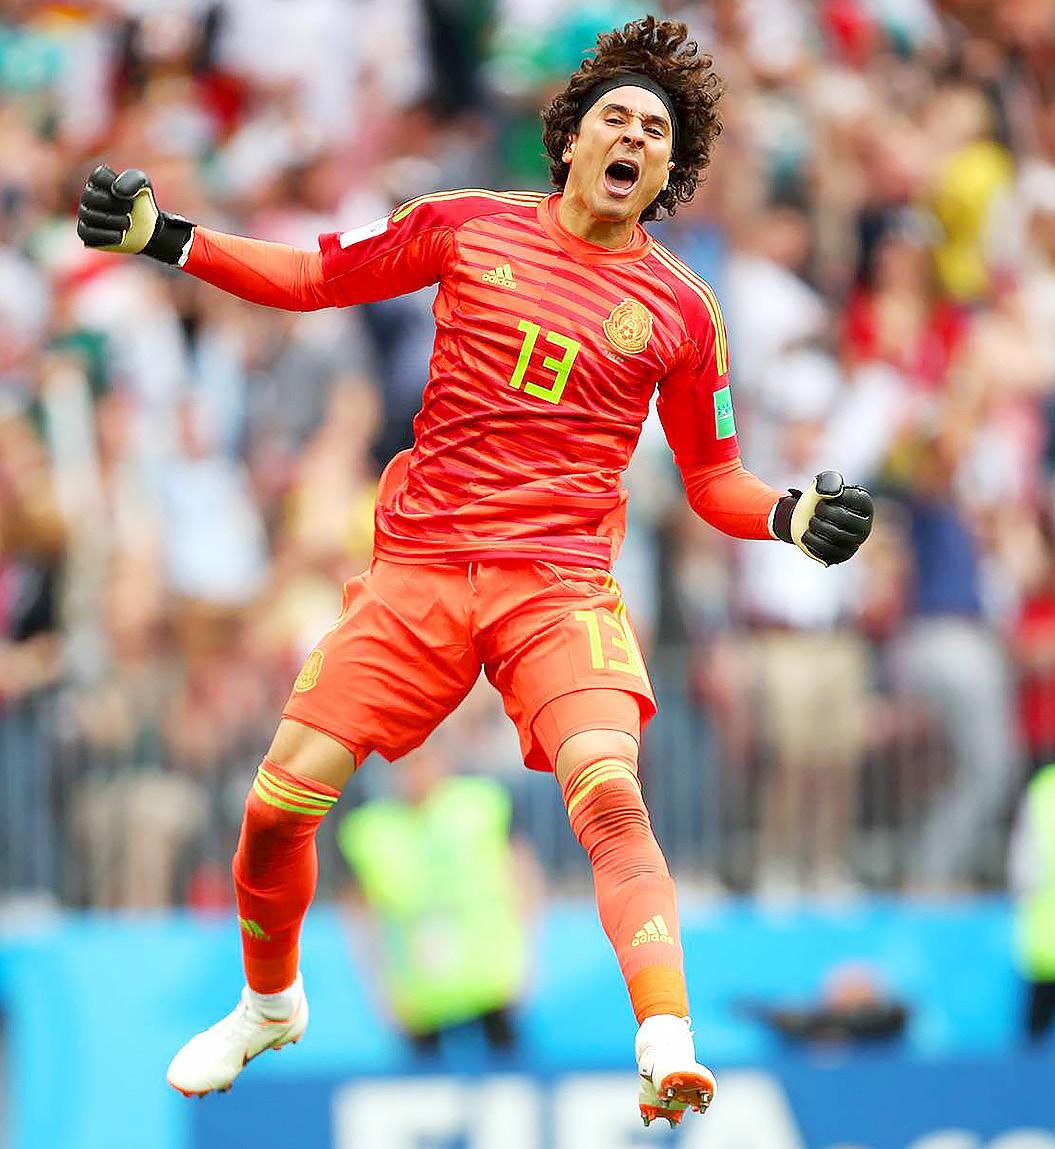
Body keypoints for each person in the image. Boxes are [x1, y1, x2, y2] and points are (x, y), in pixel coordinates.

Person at [76, 16, 874, 1126]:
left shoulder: (684, 313)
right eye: (615, 118)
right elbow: (313, 277)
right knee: (275, 808)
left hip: (557, 586)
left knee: (609, 792)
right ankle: (269, 1003)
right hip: (422, 569)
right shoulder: (463, 225)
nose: (632, 137)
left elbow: (712, 479)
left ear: (669, 171)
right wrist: (167, 237)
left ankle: (666, 1036)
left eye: (655, 131)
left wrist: (789, 514)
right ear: (571, 138)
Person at [337, 740, 537, 1056]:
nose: (416, 774)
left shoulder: (481, 804)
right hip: (422, 993)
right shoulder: (371, 831)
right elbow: (361, 918)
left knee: (508, 1071)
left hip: (490, 980)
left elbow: (524, 876)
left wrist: (527, 957)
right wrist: (380, 989)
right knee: (427, 1079)